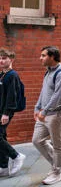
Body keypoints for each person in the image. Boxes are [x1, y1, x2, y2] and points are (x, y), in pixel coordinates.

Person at [33, 46, 61, 185]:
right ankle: (59, 162)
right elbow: (44, 92)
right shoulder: (48, 72)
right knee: (37, 140)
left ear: (52, 57)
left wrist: (45, 111)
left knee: (58, 145)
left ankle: (57, 173)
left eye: (43, 55)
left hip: (58, 115)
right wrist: (37, 107)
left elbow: (58, 96)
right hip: (45, 113)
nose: (40, 58)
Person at [0, 48, 26, 177]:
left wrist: (6, 113)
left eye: (4, 58)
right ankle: (4, 166)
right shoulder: (2, 74)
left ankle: (16, 156)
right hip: (0, 110)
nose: (1, 60)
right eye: (0, 58)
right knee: (2, 136)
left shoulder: (12, 75)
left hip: (5, 112)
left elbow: (12, 96)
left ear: (11, 60)